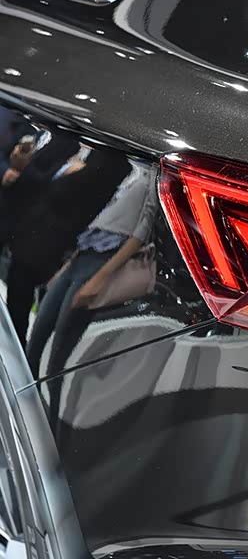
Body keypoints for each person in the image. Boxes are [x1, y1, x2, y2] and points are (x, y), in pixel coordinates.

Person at [26, 162, 158, 409]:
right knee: (39, 331)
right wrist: (66, 267)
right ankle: (23, 407)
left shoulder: (154, 176)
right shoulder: (133, 169)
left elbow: (141, 233)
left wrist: (101, 277)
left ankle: (53, 418)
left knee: (59, 355)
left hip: (104, 260)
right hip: (83, 253)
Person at [5, 143, 130, 348]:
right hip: (34, 239)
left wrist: (68, 171)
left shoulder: (105, 166)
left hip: (49, 247)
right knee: (18, 309)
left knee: (26, 316)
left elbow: (63, 196)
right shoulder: (77, 150)